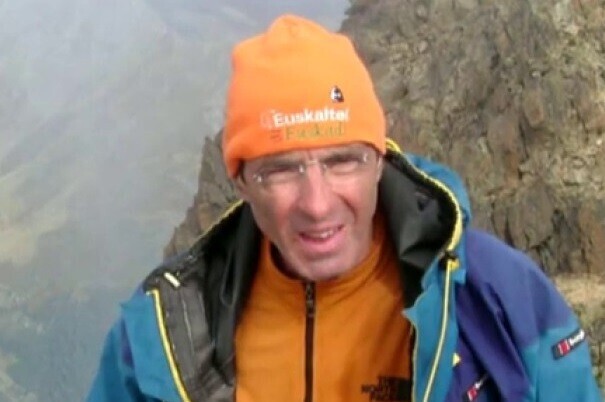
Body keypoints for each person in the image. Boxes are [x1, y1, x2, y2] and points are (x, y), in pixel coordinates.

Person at [87, 14, 602, 402]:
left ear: (379, 160)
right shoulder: (163, 333)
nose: (317, 203)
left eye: (342, 162)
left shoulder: (502, 300)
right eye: (281, 170)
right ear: (240, 181)